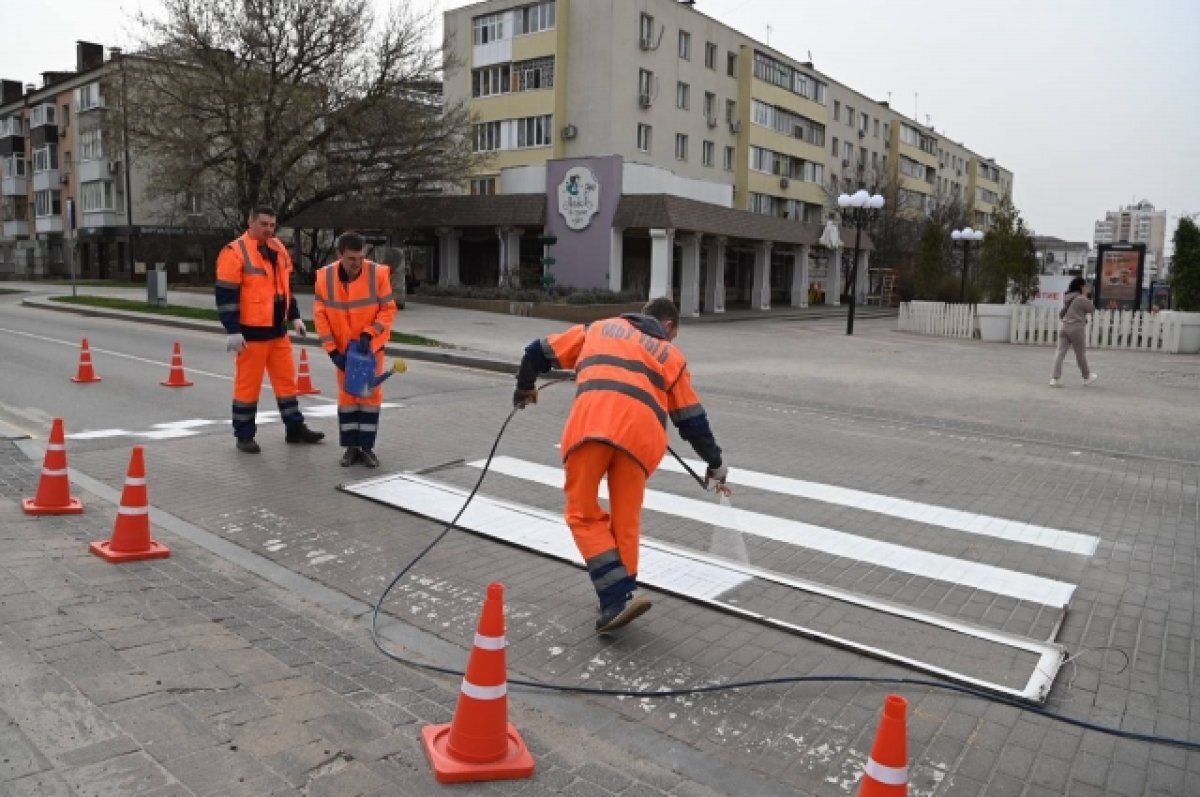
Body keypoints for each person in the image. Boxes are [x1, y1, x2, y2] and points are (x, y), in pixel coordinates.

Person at [514, 297, 729, 633]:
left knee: (582, 513)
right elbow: (693, 422)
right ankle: (622, 596)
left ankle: (616, 596)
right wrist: (715, 464)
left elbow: (535, 351)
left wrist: (524, 388)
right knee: (625, 520)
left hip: (592, 428)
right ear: (668, 326)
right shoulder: (672, 355)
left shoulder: (598, 329)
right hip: (640, 442)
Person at [215, 205, 325, 452]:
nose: (268, 229)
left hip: (277, 331)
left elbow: (284, 288)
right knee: (247, 387)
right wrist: (232, 330)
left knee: (287, 384)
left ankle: (294, 428)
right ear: (250, 222)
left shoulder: (278, 248)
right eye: (263, 224)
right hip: (250, 334)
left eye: (272, 225)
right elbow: (225, 296)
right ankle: (244, 435)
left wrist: (294, 316)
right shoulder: (234, 251)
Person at [313, 232, 398, 468]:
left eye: (360, 257)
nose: (357, 263)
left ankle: (367, 448)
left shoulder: (378, 274)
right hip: (343, 351)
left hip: (369, 349)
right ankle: (351, 447)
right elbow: (320, 317)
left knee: (369, 398)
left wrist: (369, 333)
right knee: (348, 399)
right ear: (339, 255)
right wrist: (332, 352)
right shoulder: (324, 277)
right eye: (351, 259)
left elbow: (388, 310)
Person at [1050, 276, 1098, 388]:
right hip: (1077, 328)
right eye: (1085, 286)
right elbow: (1092, 309)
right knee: (1080, 354)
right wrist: (1087, 296)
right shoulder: (1081, 298)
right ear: (1081, 286)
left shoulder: (1067, 297)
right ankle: (1087, 377)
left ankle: (1054, 378)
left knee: (1060, 353)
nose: (1086, 288)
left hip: (1065, 327)